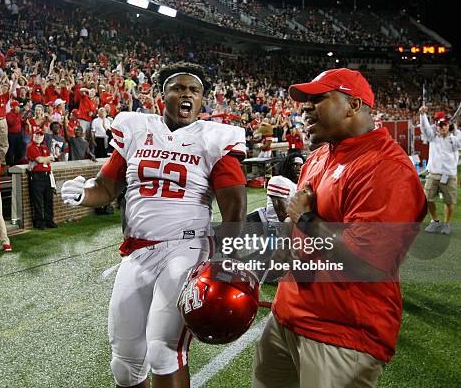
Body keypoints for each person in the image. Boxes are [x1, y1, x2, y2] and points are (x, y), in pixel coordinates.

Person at [61, 62, 247, 388]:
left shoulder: (214, 138)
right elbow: (106, 189)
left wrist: (225, 261)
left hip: (187, 247)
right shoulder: (137, 130)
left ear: (202, 99)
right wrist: (83, 194)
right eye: (178, 88)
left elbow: (234, 208)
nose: (186, 94)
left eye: (194, 90)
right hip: (138, 250)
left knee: (164, 349)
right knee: (125, 359)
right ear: (162, 95)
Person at [252, 68, 427, 388]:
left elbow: (368, 264)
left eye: (316, 99)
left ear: (354, 105)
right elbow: (297, 241)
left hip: (341, 333)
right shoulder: (318, 157)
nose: (304, 108)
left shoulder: (387, 168)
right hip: (286, 318)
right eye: (303, 102)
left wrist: (306, 219)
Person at [419, 106, 460, 235]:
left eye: (444, 125)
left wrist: (456, 131)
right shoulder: (433, 137)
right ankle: (435, 221)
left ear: (448, 125)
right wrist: (422, 115)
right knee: (428, 199)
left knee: (449, 202)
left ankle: (447, 224)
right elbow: (425, 128)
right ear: (436, 126)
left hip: (449, 176)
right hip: (433, 174)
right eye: (439, 125)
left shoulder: (455, 139)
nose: (442, 127)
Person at [26, 128, 57, 230]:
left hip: (47, 175)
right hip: (37, 176)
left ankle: (49, 221)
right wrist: (49, 158)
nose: (38, 137)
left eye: (40, 135)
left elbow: (46, 160)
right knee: (38, 200)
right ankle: (39, 222)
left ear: (43, 137)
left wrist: (46, 159)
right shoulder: (31, 147)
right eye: (36, 135)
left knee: (48, 199)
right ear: (33, 135)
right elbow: (40, 159)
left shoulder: (44, 146)